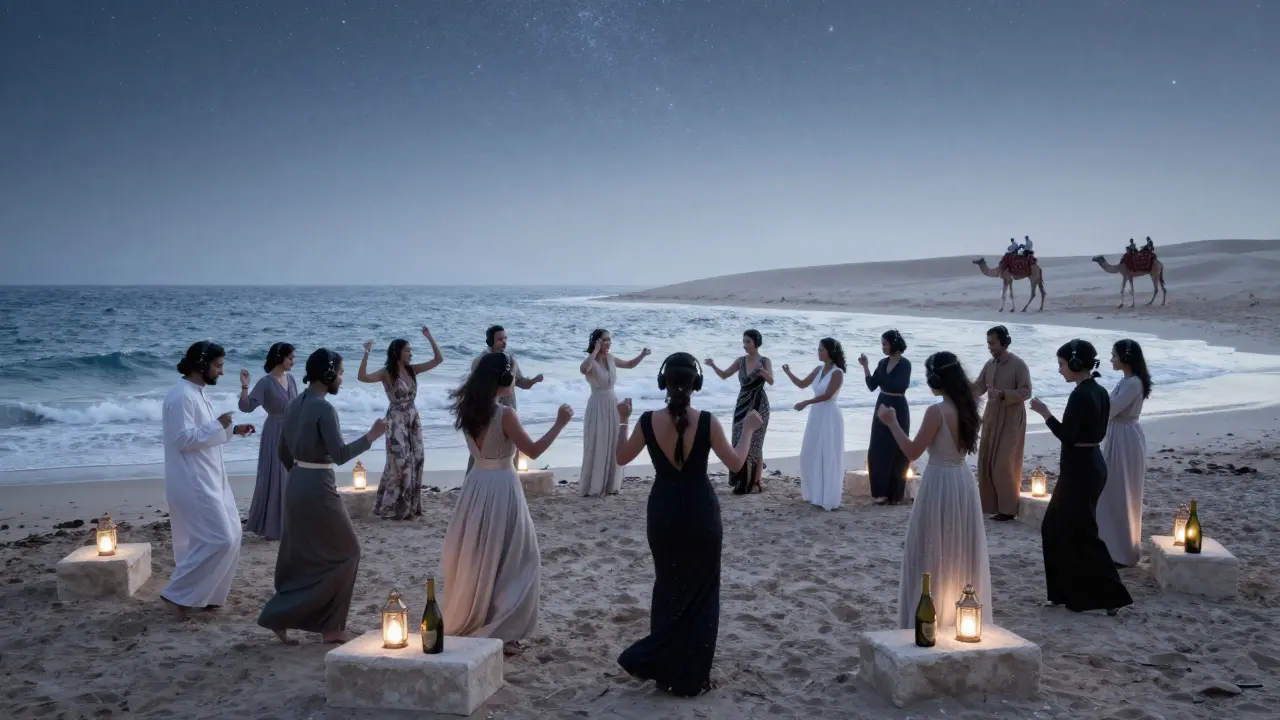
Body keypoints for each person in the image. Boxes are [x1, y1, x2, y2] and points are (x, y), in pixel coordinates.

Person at [613, 353, 763, 697]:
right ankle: (691, 675)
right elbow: (738, 463)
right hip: (700, 512)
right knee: (703, 592)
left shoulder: (648, 421)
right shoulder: (708, 421)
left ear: (663, 383)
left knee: (667, 587)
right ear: (696, 384)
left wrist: (623, 420)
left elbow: (621, 458)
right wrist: (750, 430)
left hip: (664, 512)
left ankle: (665, 668)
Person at [441, 352, 574, 655]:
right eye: (512, 375)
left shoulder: (468, 409)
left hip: (475, 485)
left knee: (480, 554)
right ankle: (502, 629)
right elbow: (535, 450)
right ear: (502, 379)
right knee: (518, 556)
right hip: (502, 485)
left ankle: (486, 620)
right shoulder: (504, 415)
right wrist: (560, 423)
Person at [258, 349, 387, 645]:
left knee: (304, 555)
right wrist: (372, 436)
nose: (341, 378)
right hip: (317, 485)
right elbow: (340, 455)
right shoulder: (324, 409)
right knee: (348, 552)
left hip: (296, 483)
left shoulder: (294, 404)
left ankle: (280, 616)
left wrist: (301, 473)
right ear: (328, 374)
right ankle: (332, 627)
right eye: (340, 373)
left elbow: (282, 452)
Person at [876, 352, 991, 632]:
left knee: (929, 547)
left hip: (939, 481)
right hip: (962, 481)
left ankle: (930, 615)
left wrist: (892, 423)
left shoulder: (936, 411)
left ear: (936, 378)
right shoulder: (967, 405)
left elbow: (912, 451)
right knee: (959, 547)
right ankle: (956, 616)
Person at [1029, 340, 1133, 615]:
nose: (1060, 370)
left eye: (1062, 365)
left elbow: (1069, 436)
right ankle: (1064, 593)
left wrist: (1045, 413)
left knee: (1082, 533)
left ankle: (1112, 596)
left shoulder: (1082, 395)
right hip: (1089, 466)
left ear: (1075, 364)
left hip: (1081, 470)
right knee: (1058, 528)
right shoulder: (1097, 391)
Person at [160, 341, 256, 621]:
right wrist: (219, 425)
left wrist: (231, 430)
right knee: (220, 538)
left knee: (234, 534)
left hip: (211, 474)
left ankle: (207, 595)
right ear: (201, 365)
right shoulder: (181, 396)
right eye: (218, 366)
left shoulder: (198, 393)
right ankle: (176, 594)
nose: (221, 372)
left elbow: (201, 433)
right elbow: (182, 439)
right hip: (193, 479)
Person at [359, 327, 444, 520]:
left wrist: (430, 337)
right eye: (408, 350)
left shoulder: (412, 370)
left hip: (413, 418)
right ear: (397, 353)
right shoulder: (386, 373)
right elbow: (362, 377)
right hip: (396, 419)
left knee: (418, 458)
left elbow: (439, 360)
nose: (411, 354)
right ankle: (391, 507)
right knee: (400, 462)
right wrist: (366, 352)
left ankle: (411, 507)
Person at [1098, 339, 1152, 567]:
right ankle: (1112, 546)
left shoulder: (1133, 384)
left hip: (1125, 438)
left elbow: (1110, 409)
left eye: (1114, 355)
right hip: (1118, 434)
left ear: (1125, 358)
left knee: (1122, 491)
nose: (1111, 359)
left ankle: (1122, 551)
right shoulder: (1127, 381)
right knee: (1112, 492)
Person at [237, 342, 298, 541]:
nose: (293, 361)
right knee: (276, 476)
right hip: (274, 432)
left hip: (292, 431)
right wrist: (245, 386)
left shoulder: (291, 379)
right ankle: (273, 527)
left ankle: (291, 524)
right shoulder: (265, 382)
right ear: (280, 358)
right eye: (290, 357)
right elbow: (246, 407)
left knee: (291, 478)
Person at [578, 329, 650, 497]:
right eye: (604, 340)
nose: (608, 343)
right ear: (596, 342)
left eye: (610, 340)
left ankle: (611, 484)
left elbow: (629, 365)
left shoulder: (610, 358)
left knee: (614, 440)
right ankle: (595, 485)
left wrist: (642, 355)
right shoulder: (590, 361)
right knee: (599, 441)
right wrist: (595, 351)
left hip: (612, 403)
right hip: (597, 405)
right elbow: (583, 369)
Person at [971, 326, 1032, 521]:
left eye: (992, 343)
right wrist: (958, 390)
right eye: (988, 343)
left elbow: (1026, 391)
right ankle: (991, 506)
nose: (989, 347)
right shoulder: (989, 364)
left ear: (1004, 342)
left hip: (1011, 419)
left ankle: (1007, 509)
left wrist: (1004, 394)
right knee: (986, 461)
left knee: (1004, 463)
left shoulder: (1019, 365)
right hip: (991, 417)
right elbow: (979, 387)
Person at [468, 325, 545, 472]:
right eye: (500, 339)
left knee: (510, 448)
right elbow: (474, 386)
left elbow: (521, 383)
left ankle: (510, 479)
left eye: (505, 339)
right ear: (490, 341)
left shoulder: (510, 360)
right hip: (487, 410)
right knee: (483, 451)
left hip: (508, 410)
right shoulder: (481, 361)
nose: (504, 342)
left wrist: (534, 380)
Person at [705, 329, 773, 494]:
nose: (745, 345)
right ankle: (741, 480)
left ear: (756, 342)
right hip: (742, 403)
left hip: (759, 403)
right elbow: (724, 375)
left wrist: (762, 372)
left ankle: (756, 482)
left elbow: (771, 380)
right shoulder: (740, 361)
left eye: (748, 342)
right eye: (744, 342)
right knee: (738, 439)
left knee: (756, 442)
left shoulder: (765, 361)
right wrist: (713, 365)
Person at [783, 338, 846, 511]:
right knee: (809, 453)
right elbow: (802, 384)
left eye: (821, 350)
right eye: (818, 350)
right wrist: (788, 372)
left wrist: (806, 402)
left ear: (830, 352)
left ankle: (827, 497)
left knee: (827, 454)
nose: (819, 352)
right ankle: (813, 494)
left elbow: (827, 395)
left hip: (829, 416)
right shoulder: (819, 369)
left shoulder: (837, 373)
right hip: (816, 416)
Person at [858, 329, 912, 505]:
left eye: (885, 344)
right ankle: (879, 492)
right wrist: (865, 367)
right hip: (881, 405)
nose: (883, 347)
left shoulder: (905, 364)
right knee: (878, 448)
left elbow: (899, 385)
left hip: (898, 406)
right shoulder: (882, 363)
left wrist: (882, 378)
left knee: (898, 448)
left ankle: (895, 494)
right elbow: (872, 385)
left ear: (893, 344)